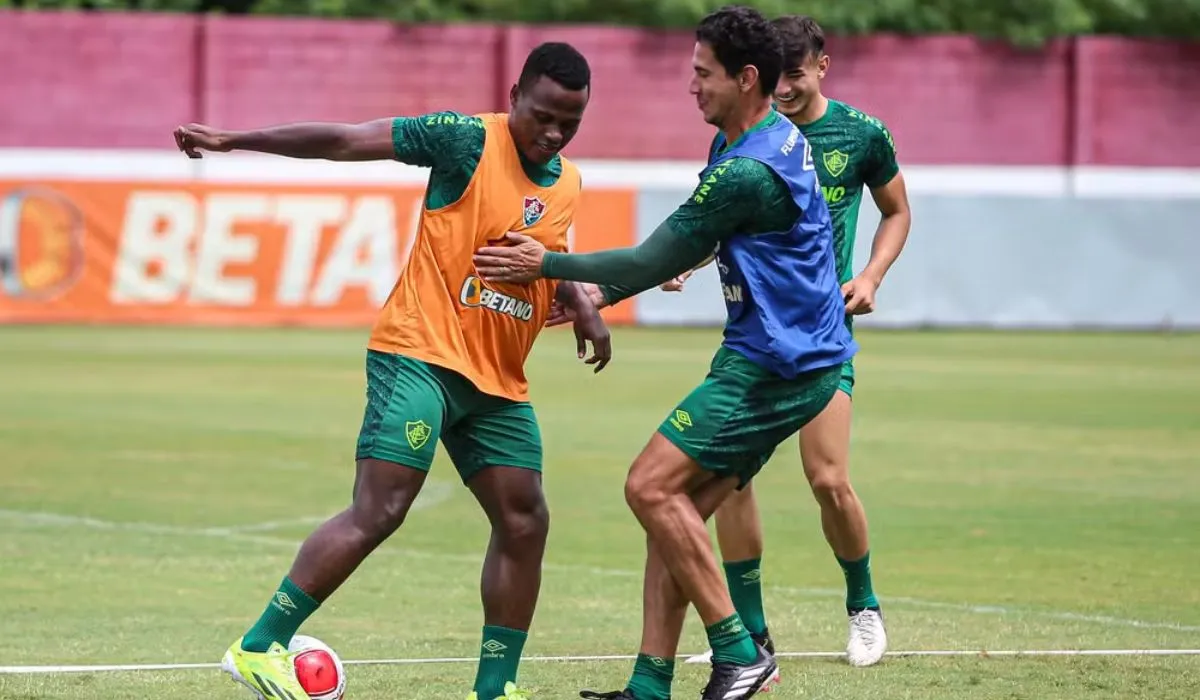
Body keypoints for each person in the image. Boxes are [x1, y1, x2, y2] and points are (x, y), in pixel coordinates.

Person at [173, 42, 612, 700]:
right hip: (420, 353)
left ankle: (495, 690)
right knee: (381, 508)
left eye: (569, 123)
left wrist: (581, 303)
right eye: (543, 115)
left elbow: (549, 250)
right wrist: (237, 140)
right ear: (515, 93)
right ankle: (259, 646)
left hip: (495, 380)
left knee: (525, 520)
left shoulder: (569, 182)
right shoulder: (465, 140)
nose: (553, 133)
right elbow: (349, 140)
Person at [472, 7, 856, 699]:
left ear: (745, 78)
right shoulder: (758, 138)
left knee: (648, 485)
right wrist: (617, 288)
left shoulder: (747, 167)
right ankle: (650, 687)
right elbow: (692, 245)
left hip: (777, 362)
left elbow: (655, 253)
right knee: (673, 511)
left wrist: (548, 267)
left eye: (701, 73)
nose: (690, 85)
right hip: (796, 354)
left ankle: (741, 652)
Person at [668, 14, 912, 672]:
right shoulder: (740, 137)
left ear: (822, 67)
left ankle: (863, 607)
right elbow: (719, 216)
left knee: (828, 478)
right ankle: (753, 638)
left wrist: (870, 274)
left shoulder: (860, 135)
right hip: (755, 334)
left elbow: (896, 210)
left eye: (796, 78)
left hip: (822, 333)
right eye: (777, 80)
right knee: (731, 480)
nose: (785, 91)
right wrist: (684, 260)